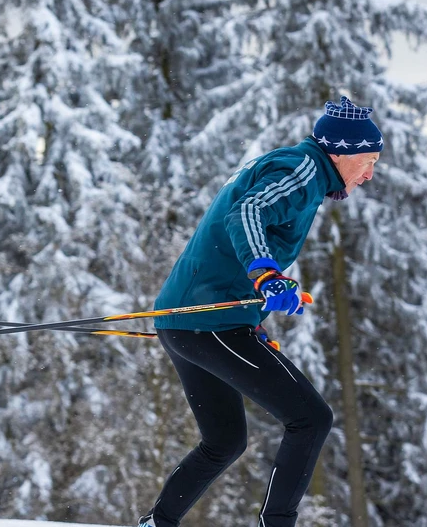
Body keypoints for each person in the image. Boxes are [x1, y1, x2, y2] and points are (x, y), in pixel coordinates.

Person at [139, 97, 383, 527]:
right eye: (368, 161)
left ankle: (156, 524)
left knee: (225, 440)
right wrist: (267, 275)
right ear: (341, 153)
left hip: (192, 320)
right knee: (310, 419)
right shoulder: (302, 170)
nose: (369, 174)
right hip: (207, 321)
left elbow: (236, 239)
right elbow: (246, 213)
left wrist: (255, 317)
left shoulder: (301, 172)